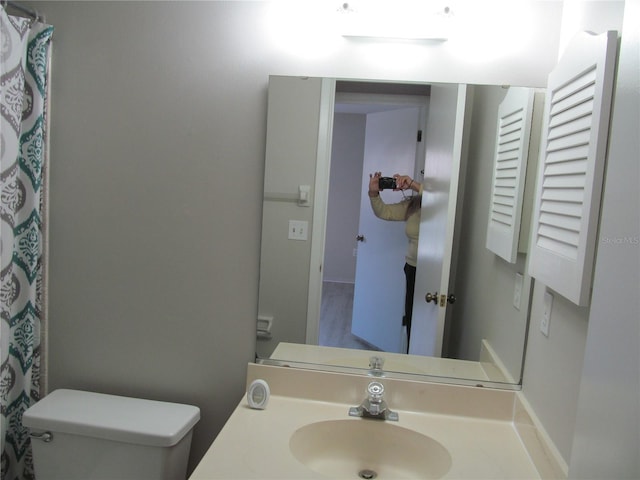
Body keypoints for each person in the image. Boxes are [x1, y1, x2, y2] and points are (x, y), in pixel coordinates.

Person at [367, 171, 422, 349]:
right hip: (412, 268)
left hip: (433, 272)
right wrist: (374, 193)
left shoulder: (438, 202)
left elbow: (439, 201)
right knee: (413, 322)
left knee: (426, 326)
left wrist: (414, 184)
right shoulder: (415, 204)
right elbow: (385, 212)